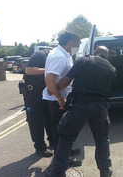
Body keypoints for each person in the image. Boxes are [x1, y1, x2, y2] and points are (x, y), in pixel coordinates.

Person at [47, 46, 116, 177]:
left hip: (79, 105)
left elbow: (66, 81)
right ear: (107, 56)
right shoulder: (111, 68)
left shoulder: (82, 61)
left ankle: (58, 172)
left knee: (66, 137)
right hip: (100, 108)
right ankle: (105, 169)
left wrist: (53, 89)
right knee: (102, 139)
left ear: (94, 52)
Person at [42, 31, 81, 165]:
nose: (79, 47)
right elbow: (50, 79)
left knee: (63, 129)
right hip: (58, 101)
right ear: (70, 42)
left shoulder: (64, 54)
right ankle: (62, 160)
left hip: (60, 97)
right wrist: (60, 99)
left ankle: (65, 152)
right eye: (78, 44)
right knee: (62, 131)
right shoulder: (59, 56)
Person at [22, 50, 53, 157]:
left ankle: (54, 143)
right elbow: (29, 70)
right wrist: (48, 70)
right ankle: (40, 147)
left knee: (50, 119)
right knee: (36, 121)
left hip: (45, 94)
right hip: (32, 94)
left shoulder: (55, 57)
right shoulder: (40, 55)